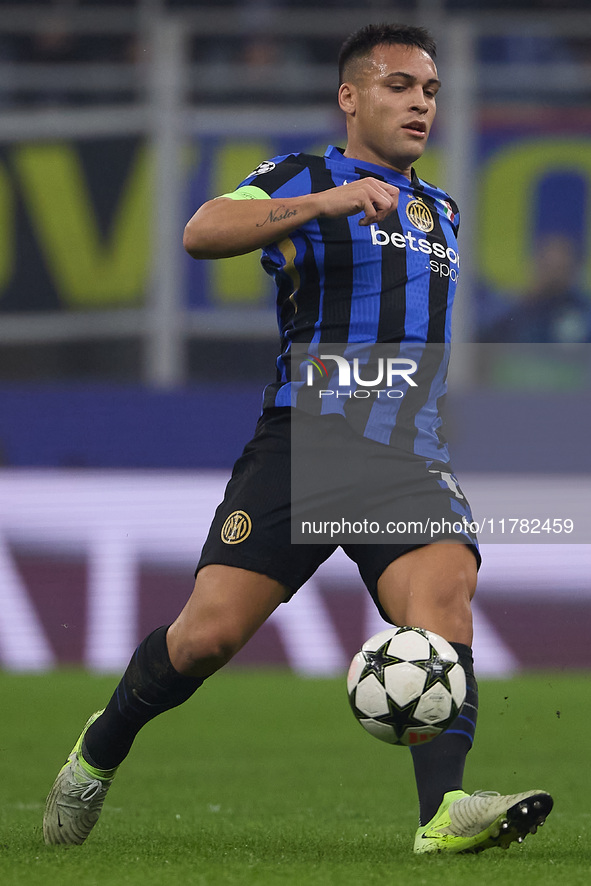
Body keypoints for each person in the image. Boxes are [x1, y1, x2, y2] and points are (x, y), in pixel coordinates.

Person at [43, 23, 553, 855]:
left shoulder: (441, 210)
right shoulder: (304, 176)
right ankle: (99, 749)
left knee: (441, 601)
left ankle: (442, 813)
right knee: (206, 637)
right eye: (398, 85)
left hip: (406, 456)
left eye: (428, 89)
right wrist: (325, 204)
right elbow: (202, 231)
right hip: (304, 440)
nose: (419, 102)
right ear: (350, 97)